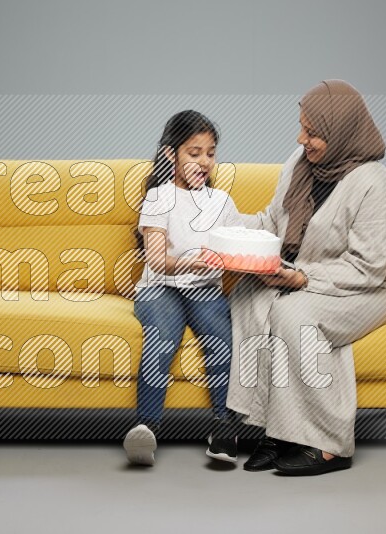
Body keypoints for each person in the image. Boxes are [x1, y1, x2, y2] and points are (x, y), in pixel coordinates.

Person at [227, 80, 386, 476]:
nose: (301, 138)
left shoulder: (374, 184)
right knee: (249, 296)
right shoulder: (300, 163)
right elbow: (273, 222)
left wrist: (302, 277)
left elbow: (369, 267)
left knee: (295, 316)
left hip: (370, 288)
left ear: (342, 131)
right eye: (301, 127)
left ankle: (330, 444)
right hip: (309, 277)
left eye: (313, 132)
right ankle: (275, 430)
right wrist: (217, 225)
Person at [123, 110, 243, 466]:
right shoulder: (159, 197)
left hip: (205, 289)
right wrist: (199, 260)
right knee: (162, 334)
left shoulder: (221, 203)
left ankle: (225, 429)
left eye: (210, 152)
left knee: (221, 335)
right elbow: (157, 260)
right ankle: (146, 427)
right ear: (170, 154)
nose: (204, 161)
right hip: (162, 288)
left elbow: (239, 246)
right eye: (194, 153)